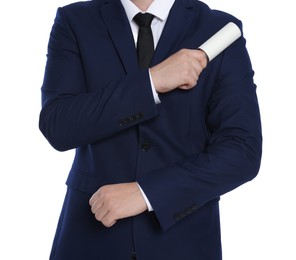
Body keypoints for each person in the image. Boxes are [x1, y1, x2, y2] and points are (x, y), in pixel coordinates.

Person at [39, 0, 262, 259]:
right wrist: (152, 82)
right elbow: (59, 125)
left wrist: (147, 194)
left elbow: (241, 151)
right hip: (90, 239)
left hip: (184, 243)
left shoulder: (218, 29)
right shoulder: (75, 21)